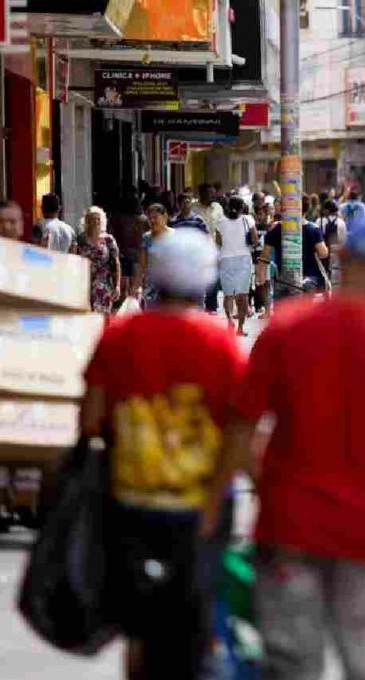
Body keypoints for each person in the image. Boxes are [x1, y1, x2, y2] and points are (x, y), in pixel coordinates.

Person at [226, 212, 365, 680]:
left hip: (287, 532)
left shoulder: (285, 330)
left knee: (290, 668)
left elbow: (240, 429)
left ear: (341, 257)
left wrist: (261, 487)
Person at [80, 229, 245, 680]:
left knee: (140, 627)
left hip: (130, 502)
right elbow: (240, 431)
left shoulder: (119, 336)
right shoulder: (221, 343)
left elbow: (90, 419)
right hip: (201, 508)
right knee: (198, 615)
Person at [216, 196, 259, 336]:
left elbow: (219, 243)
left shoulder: (220, 222)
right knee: (243, 295)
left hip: (226, 259)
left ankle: (229, 320)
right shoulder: (248, 220)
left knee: (228, 295)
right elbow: (255, 240)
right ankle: (240, 328)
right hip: (244, 260)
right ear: (242, 208)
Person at [77, 206, 122, 315]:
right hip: (85, 283)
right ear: (87, 221)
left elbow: (116, 263)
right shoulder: (81, 239)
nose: (96, 221)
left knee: (103, 316)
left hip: (103, 283)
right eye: (93, 219)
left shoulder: (108, 240)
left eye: (98, 219)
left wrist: (117, 285)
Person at [133, 203, 176, 308]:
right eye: (150, 218)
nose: (152, 221)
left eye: (155, 217)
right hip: (152, 287)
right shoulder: (147, 237)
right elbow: (142, 265)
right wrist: (136, 286)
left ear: (164, 216)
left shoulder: (175, 235)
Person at [110, 194, 148, 306]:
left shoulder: (119, 219)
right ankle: (137, 309)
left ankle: (126, 310)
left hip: (124, 254)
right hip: (138, 256)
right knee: (137, 287)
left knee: (124, 289)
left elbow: (114, 235)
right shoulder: (144, 220)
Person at [195, 184, 226, 313]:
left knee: (213, 278)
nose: (213, 196)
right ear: (202, 194)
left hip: (213, 248)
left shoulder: (218, 208)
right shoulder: (193, 208)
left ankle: (211, 306)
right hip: (196, 250)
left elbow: (221, 229)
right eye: (210, 193)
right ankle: (196, 305)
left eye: (214, 193)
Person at [316, 199, 347, 288]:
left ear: (326, 210)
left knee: (324, 275)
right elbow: (344, 240)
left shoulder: (319, 221)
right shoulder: (341, 223)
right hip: (336, 254)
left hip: (323, 252)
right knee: (335, 280)